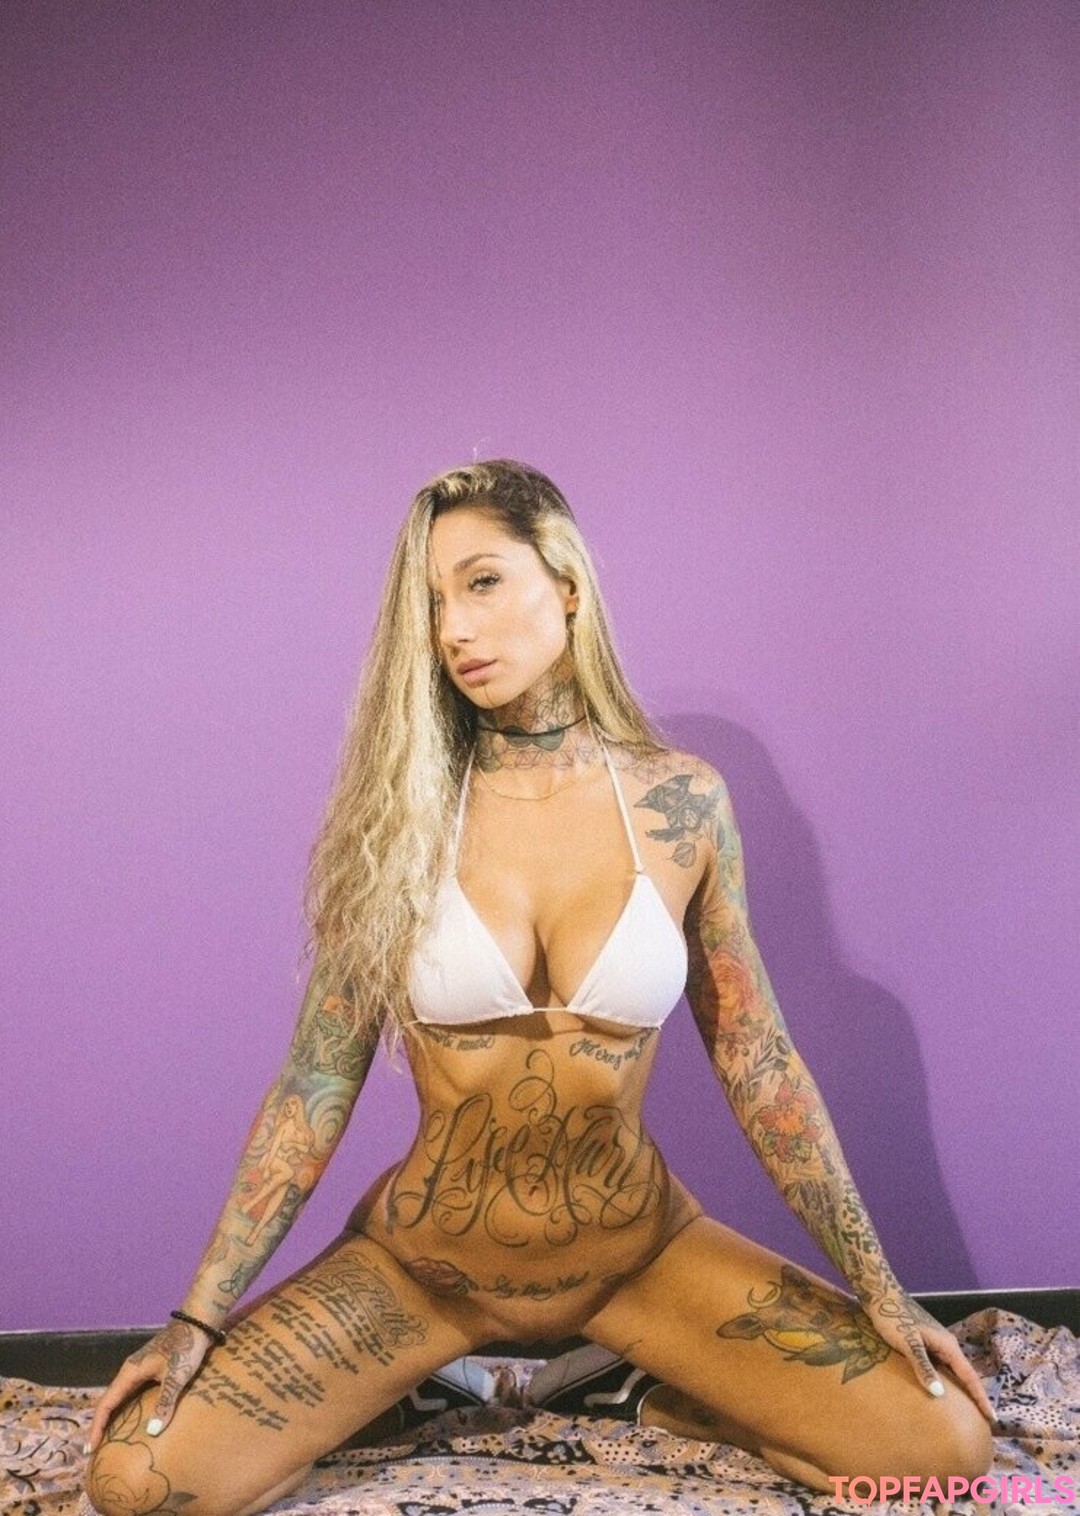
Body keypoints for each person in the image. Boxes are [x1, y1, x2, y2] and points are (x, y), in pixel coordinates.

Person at [85, 460, 993, 1515]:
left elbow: (759, 1062)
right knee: (135, 1483)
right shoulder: (397, 821)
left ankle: (629, 1386)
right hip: (424, 1272)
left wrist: (881, 1291)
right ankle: (419, 1384)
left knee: (947, 1449)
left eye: (481, 581)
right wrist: (197, 1316)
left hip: (638, 1261)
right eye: (432, 603)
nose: (455, 629)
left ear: (565, 583)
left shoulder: (682, 803)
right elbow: (313, 1085)